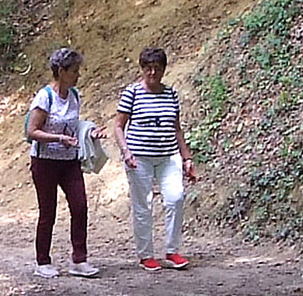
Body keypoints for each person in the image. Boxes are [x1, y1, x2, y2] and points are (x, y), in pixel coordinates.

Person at [113, 46, 199, 270]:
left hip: (168, 155)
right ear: (142, 70)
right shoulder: (132, 93)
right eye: (148, 68)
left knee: (175, 198)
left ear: (163, 70)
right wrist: (126, 152)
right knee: (143, 205)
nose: (152, 73)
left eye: (157, 68)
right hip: (139, 157)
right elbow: (119, 127)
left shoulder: (171, 94)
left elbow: (177, 128)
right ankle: (146, 255)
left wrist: (187, 158)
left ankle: (172, 251)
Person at [25, 47, 104, 277]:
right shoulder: (45, 97)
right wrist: (58, 138)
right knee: (47, 211)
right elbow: (32, 131)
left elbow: (74, 126)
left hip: (69, 161)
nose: (78, 75)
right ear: (61, 71)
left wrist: (90, 133)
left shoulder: (75, 95)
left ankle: (79, 260)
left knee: (79, 207)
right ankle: (42, 261)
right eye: (74, 71)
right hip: (45, 161)